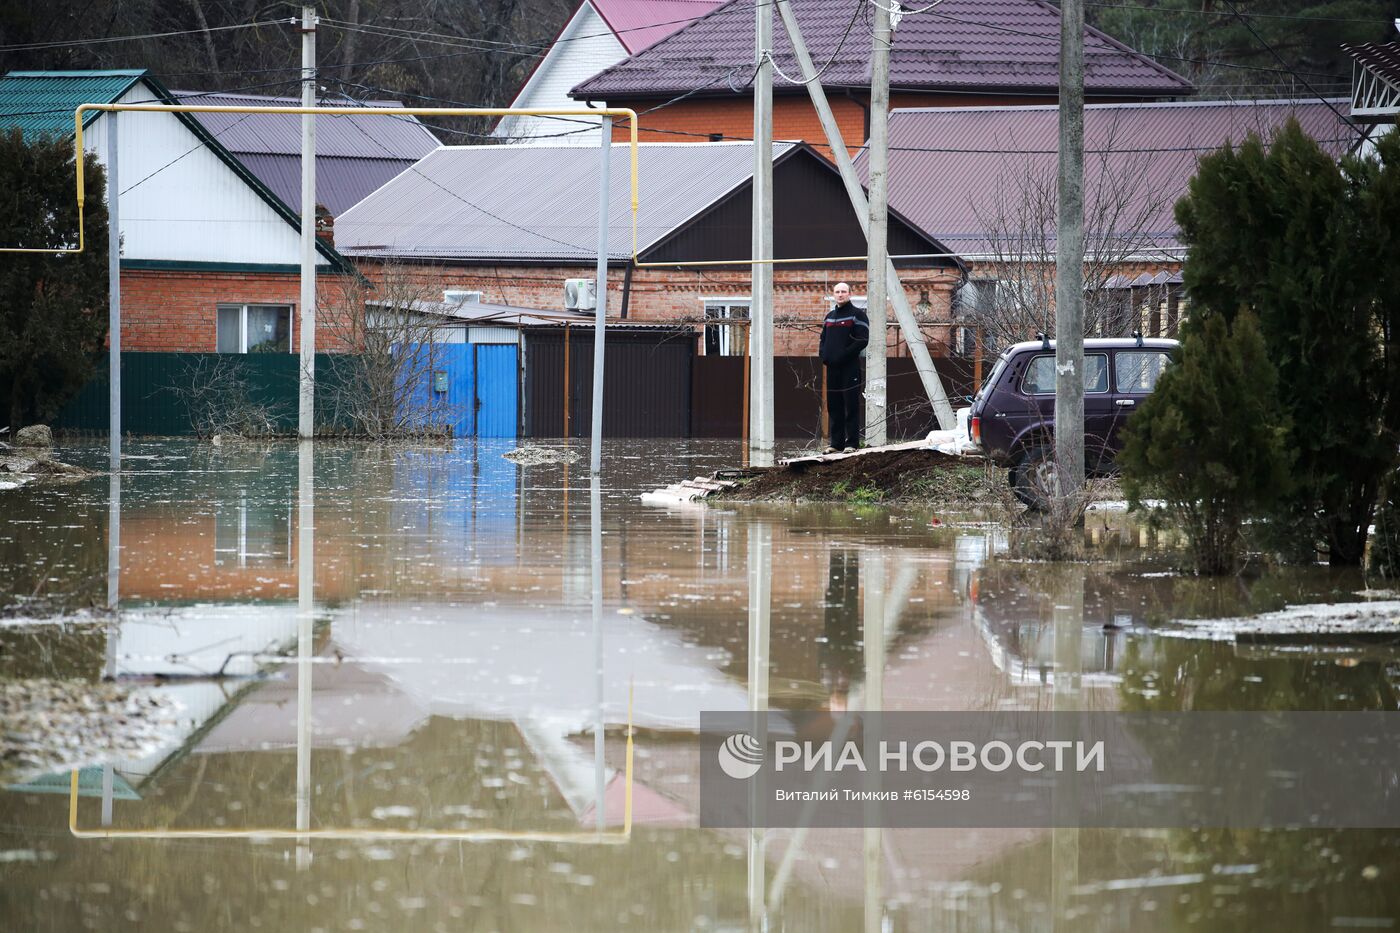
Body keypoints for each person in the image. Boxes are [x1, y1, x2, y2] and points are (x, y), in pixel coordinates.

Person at [817, 282, 868, 453]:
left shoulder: (857, 315)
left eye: (843, 292)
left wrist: (843, 355)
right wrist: (824, 356)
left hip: (850, 367)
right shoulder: (829, 316)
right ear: (833, 294)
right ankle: (836, 444)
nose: (840, 294)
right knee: (834, 406)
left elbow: (862, 340)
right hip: (832, 368)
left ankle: (851, 443)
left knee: (851, 405)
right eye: (837, 292)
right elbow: (823, 340)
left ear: (850, 294)